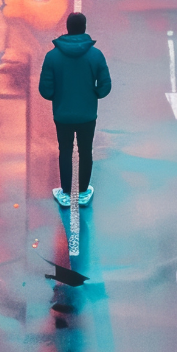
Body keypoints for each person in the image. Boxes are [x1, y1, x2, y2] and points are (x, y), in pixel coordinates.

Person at [39, 12, 111, 207]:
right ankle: (82, 192)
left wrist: (58, 96)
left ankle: (65, 193)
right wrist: (93, 93)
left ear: (67, 28)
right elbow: (105, 85)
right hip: (87, 114)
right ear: (84, 28)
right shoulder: (96, 55)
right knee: (86, 151)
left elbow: (45, 90)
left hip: (62, 114)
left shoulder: (52, 56)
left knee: (65, 150)